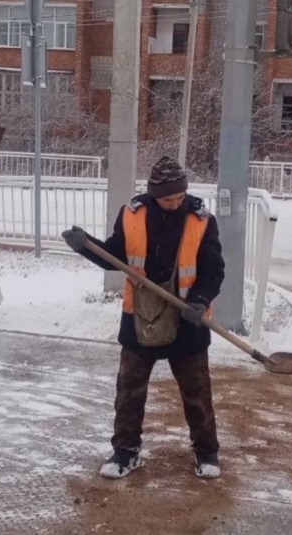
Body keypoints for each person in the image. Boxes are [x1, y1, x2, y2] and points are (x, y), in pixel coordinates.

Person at [62, 156, 225, 479]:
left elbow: (213, 269)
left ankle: (207, 452)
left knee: (197, 392)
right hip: (140, 318)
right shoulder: (133, 215)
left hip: (186, 319)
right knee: (129, 390)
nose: (173, 204)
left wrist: (200, 300)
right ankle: (126, 451)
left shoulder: (202, 220)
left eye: (179, 197)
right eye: (167, 199)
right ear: (153, 194)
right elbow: (115, 257)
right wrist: (86, 246)